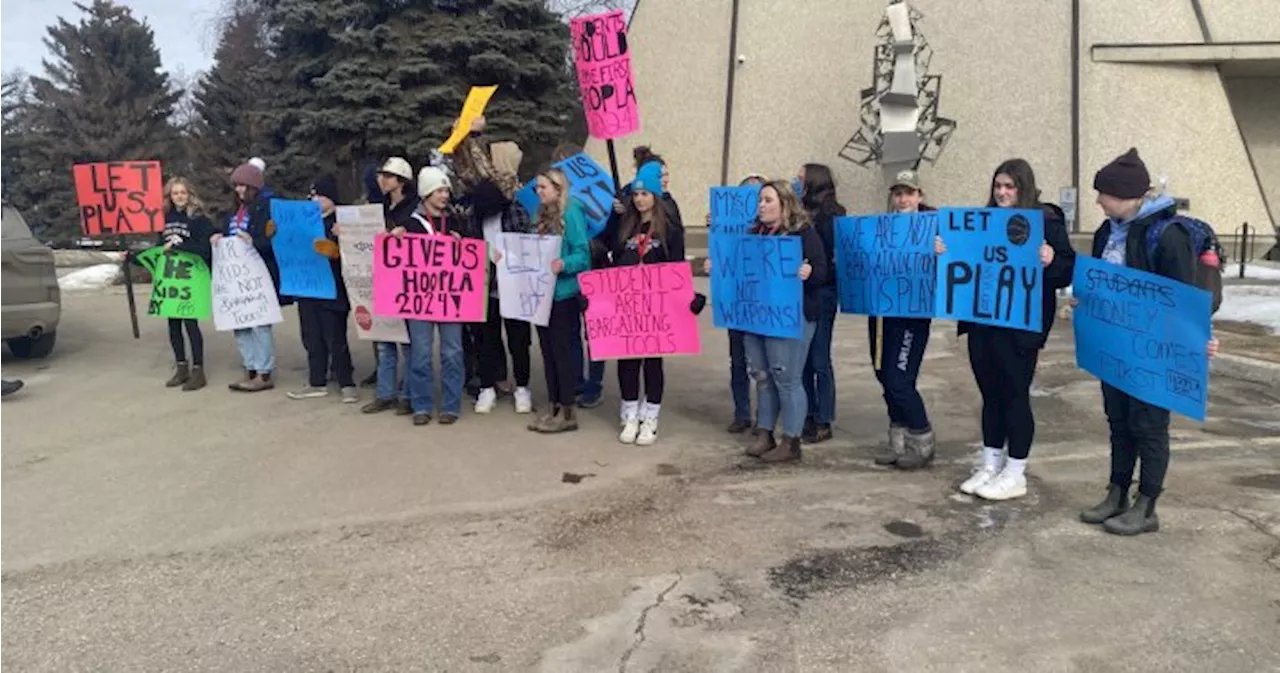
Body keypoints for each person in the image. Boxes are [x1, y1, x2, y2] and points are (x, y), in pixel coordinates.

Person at [1079, 148, 1219, 535]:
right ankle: (1117, 491)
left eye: (1102, 194)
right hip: (1114, 345)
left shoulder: (1167, 235)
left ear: (1123, 194)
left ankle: (1147, 504)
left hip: (1154, 350)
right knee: (1119, 421)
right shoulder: (1107, 233)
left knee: (1149, 425)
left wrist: (1195, 342)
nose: (1097, 201)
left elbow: (1184, 296)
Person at [938, 159, 1076, 500]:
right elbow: (962, 259)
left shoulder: (1046, 222)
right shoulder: (981, 221)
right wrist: (944, 250)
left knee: (1014, 396)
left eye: (1009, 186)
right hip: (983, 322)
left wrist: (1050, 260)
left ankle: (1016, 471)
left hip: (1020, 328)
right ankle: (990, 463)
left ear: (1023, 188)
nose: (1002, 192)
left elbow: (1067, 271)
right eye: (998, 186)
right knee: (990, 396)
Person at [707, 180, 828, 463]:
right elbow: (737, 270)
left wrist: (809, 272)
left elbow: (824, 272)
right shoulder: (754, 234)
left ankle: (792, 440)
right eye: (760, 200)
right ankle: (765, 433)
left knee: (786, 378)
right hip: (757, 318)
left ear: (784, 204)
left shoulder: (803, 234)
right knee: (762, 377)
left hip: (790, 318)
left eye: (768, 200)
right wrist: (717, 267)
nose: (761, 205)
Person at [608, 161, 701, 445]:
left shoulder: (669, 228)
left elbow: (676, 266)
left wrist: (687, 298)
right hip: (628, 304)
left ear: (655, 196)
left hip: (656, 306)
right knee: (627, 360)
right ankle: (629, 412)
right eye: (636, 194)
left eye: (645, 194)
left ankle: (651, 417)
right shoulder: (626, 224)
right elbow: (611, 256)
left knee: (652, 362)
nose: (639, 199)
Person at [451, 116, 534, 415]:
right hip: (484, 287)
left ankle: (522, 386)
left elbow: (529, 245)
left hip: (512, 285)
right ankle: (488, 386)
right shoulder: (476, 213)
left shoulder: (516, 211)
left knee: (518, 339)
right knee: (485, 338)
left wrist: (509, 257)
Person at [388, 166, 477, 426]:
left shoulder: (456, 222)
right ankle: (422, 405)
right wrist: (392, 240)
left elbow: (472, 253)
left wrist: (464, 243)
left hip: (450, 300)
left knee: (452, 351)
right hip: (420, 302)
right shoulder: (410, 225)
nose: (444, 195)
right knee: (421, 353)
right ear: (426, 193)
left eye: (446, 190)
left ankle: (450, 405)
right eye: (439, 190)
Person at [871, 170, 937, 469]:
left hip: (913, 314)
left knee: (900, 379)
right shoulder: (880, 227)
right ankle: (897, 438)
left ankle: (921, 438)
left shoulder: (933, 226)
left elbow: (954, 261)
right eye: (898, 193)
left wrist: (940, 250)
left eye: (909, 193)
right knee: (884, 375)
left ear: (919, 195)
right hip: (882, 312)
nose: (903, 199)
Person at [527, 167, 591, 433]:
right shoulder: (539, 214)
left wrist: (563, 264)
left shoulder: (571, 211)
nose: (539, 192)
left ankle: (567, 411)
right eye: (537, 188)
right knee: (548, 352)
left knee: (562, 353)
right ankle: (553, 405)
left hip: (563, 294)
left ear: (557, 188)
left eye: (543, 187)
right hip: (542, 294)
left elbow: (583, 254)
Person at [286, 176, 357, 403]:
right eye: (312, 195)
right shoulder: (305, 220)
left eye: (319, 195)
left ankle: (347, 383)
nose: (314, 199)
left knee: (335, 337)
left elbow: (360, 253)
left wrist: (338, 248)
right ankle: (317, 381)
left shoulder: (341, 222)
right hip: (307, 288)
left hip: (333, 289)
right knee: (311, 336)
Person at [213, 162, 280, 392]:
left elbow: (274, 241)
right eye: (237, 186)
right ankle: (250, 365)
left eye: (243, 186)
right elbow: (227, 231)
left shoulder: (266, 209)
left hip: (258, 275)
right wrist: (219, 237)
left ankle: (264, 371)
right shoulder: (234, 210)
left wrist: (255, 242)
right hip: (235, 277)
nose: (239, 190)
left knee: (260, 324)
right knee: (239, 322)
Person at [361, 157, 419, 416]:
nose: (382, 180)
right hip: (383, 278)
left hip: (405, 281)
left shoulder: (414, 208)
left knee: (407, 342)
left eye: (388, 176)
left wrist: (405, 231)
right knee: (384, 340)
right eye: (381, 175)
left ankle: (409, 394)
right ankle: (386, 394)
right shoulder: (381, 206)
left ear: (401, 181)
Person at [711, 173, 767, 434]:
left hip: (762, 303)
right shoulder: (728, 226)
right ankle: (742, 413)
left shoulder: (774, 228)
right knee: (738, 361)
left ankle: (764, 417)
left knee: (763, 364)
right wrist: (716, 229)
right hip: (736, 301)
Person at [796, 164, 846, 445]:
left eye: (801, 178)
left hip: (823, 292)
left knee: (819, 357)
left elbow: (832, 259)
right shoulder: (800, 212)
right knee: (802, 357)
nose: (796, 181)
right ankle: (808, 413)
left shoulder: (831, 215)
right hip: (801, 290)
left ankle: (824, 418)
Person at [158, 177, 215, 391]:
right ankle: (181, 368)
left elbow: (205, 249)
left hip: (191, 277)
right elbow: (158, 246)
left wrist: (179, 247)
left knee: (190, 323)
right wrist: (133, 257)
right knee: (173, 324)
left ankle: (198, 371)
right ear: (170, 196)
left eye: (183, 192)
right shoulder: (164, 219)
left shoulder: (200, 220)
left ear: (190, 194)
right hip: (170, 276)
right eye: (175, 193)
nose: (179, 196)